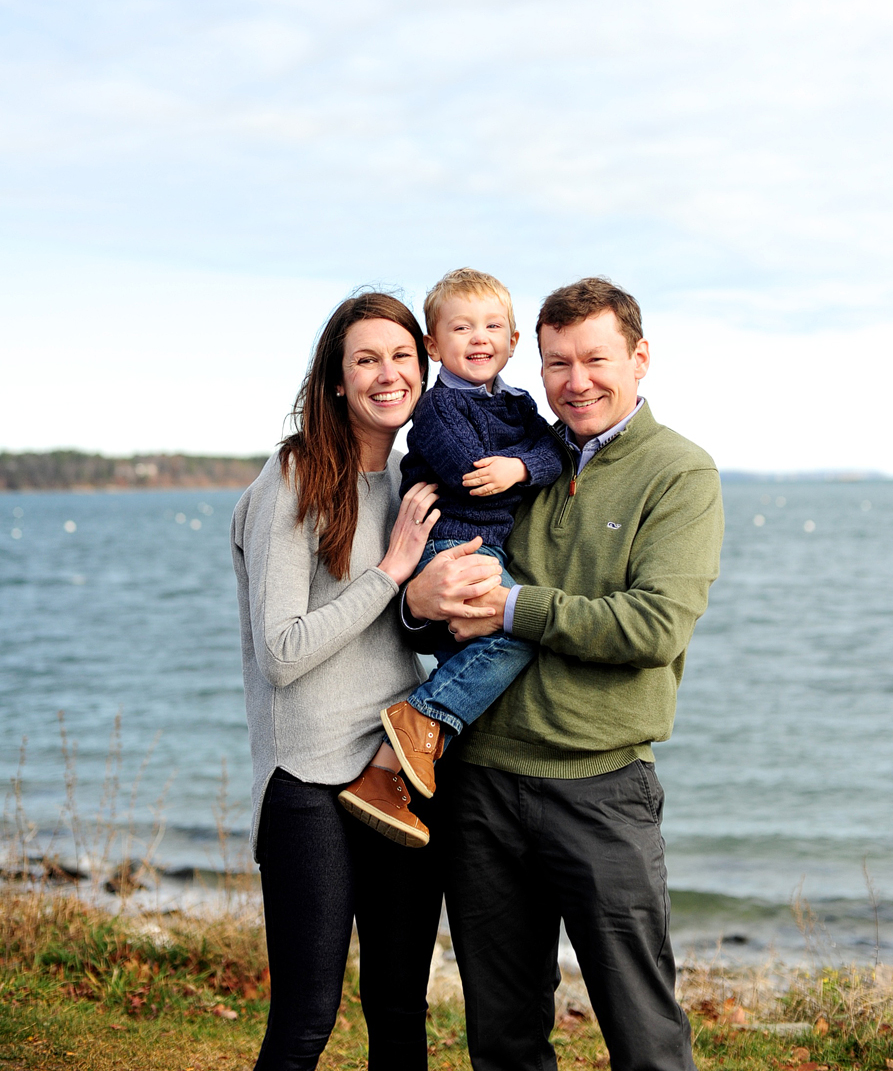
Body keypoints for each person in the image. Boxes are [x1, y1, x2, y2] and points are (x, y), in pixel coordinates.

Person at [405, 278, 725, 1071]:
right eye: (557, 363)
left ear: (640, 358)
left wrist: (517, 609)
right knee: (504, 1038)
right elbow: (440, 591)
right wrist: (415, 602)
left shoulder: (680, 474)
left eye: (595, 359)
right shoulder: (519, 459)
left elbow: (651, 626)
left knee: (645, 1036)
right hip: (480, 785)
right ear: (535, 364)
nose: (576, 381)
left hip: (601, 789)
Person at [231, 292, 470, 1070]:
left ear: (424, 368)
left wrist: (434, 601)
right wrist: (392, 571)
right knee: (307, 1017)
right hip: (307, 777)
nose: (387, 373)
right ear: (337, 379)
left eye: (402, 356)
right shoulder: (295, 473)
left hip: (394, 771)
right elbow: (283, 651)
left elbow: (404, 631)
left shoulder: (413, 482)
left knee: (400, 1011)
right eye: (366, 358)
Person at [339, 269, 564, 841]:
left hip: (478, 543)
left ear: (514, 342)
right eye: (462, 327)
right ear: (434, 346)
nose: (479, 337)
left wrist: (520, 465)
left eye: (493, 326)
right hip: (451, 541)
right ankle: (419, 719)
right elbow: (469, 476)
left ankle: (384, 776)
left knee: (484, 646)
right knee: (516, 630)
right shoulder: (439, 407)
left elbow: (553, 452)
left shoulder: (517, 404)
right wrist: (517, 468)